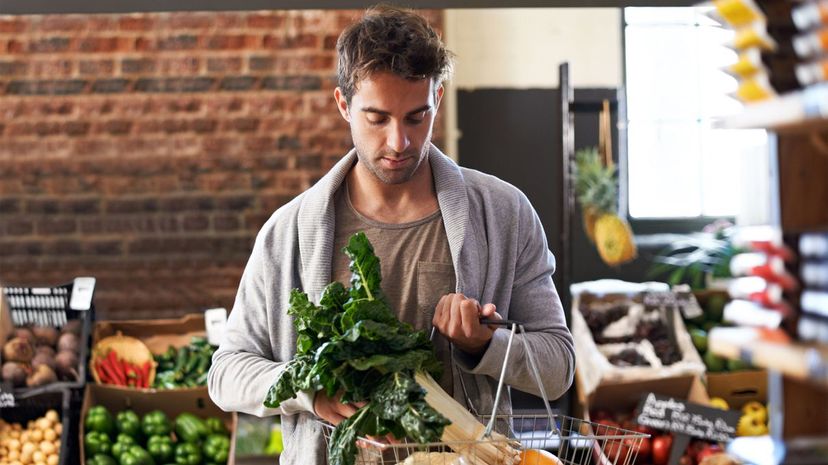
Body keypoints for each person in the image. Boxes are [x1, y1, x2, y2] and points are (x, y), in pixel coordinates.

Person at [208, 6, 575, 464]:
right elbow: (225, 374)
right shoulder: (288, 233)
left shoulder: (504, 214)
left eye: (416, 117)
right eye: (377, 118)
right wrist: (311, 393)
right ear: (343, 105)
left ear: (438, 98)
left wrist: (484, 345)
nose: (399, 141)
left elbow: (559, 366)